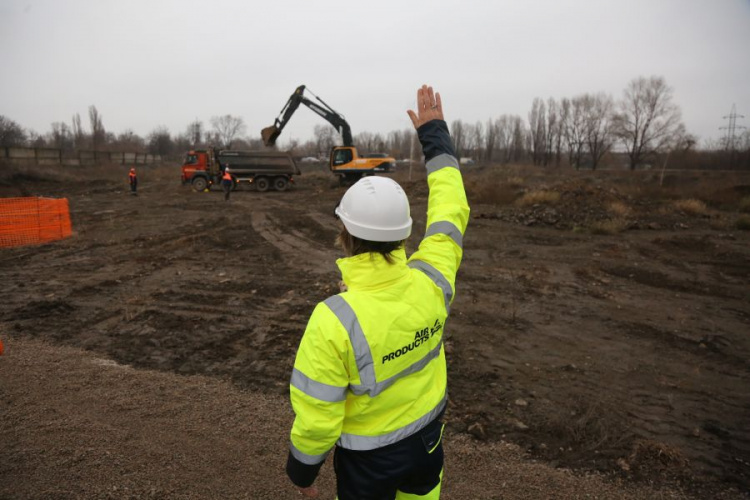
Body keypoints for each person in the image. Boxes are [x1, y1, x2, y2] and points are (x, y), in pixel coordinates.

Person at [286, 85, 469, 500]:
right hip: (428, 445)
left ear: (344, 233)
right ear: (405, 233)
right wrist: (435, 134)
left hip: (368, 465)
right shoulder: (433, 279)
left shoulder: (334, 320)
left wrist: (303, 475)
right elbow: (450, 208)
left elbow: (318, 419)